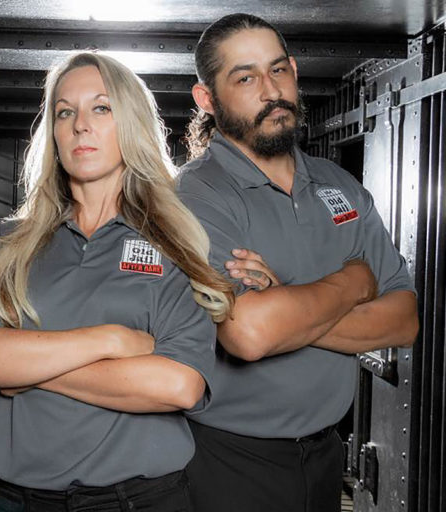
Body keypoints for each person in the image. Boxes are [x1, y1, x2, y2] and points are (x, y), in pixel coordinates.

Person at [0, 51, 233, 511]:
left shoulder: (176, 243)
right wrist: (112, 339)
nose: (81, 124)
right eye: (66, 111)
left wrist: (27, 369)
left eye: (101, 108)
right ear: (55, 134)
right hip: (18, 501)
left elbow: (178, 385)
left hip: (139, 501)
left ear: (130, 123)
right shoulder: (10, 244)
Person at [178, 13, 419, 512]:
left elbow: (404, 320)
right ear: (207, 99)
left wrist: (285, 300)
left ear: (293, 71)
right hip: (227, 461)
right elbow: (248, 336)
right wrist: (353, 284)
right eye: (245, 78)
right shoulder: (197, 194)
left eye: (278, 71)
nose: (271, 91)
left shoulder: (339, 186)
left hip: (324, 457)